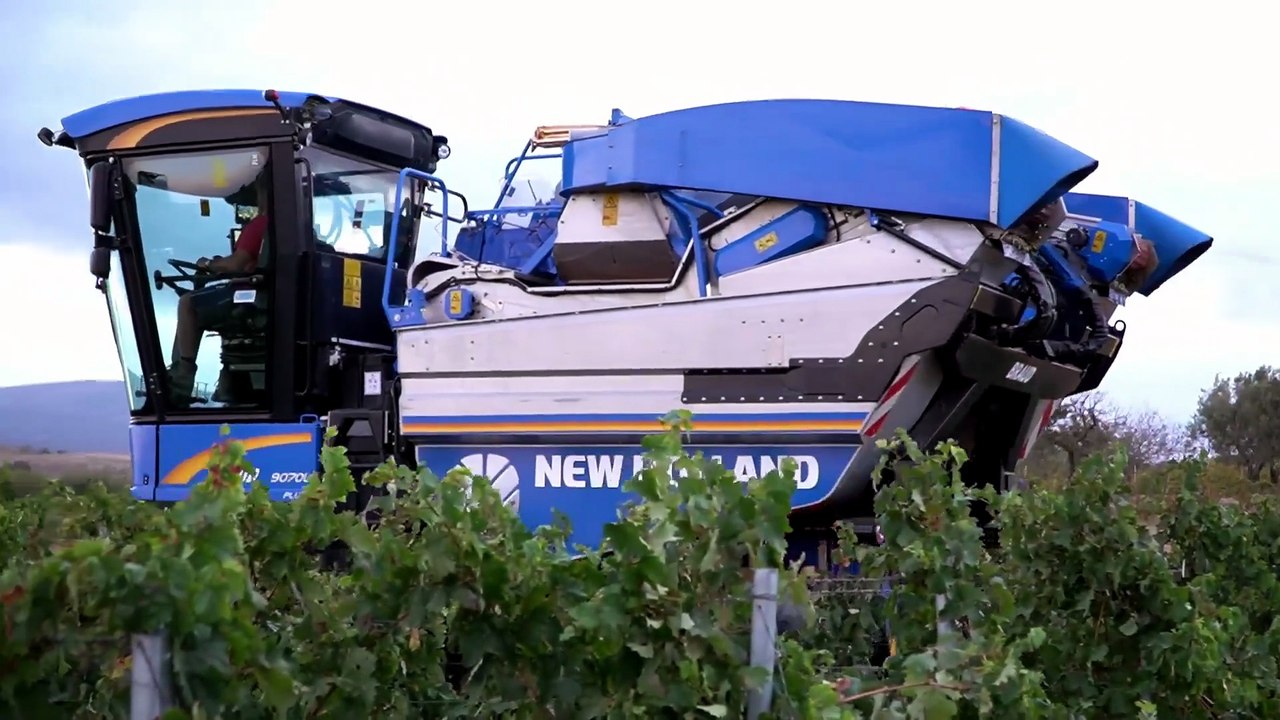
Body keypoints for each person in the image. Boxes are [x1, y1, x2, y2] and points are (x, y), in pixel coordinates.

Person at [167, 177, 270, 402]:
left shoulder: (260, 224)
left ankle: (182, 377)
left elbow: (237, 264)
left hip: (250, 300)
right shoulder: (289, 225)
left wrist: (208, 264)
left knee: (188, 302)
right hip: (264, 298)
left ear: (262, 193)